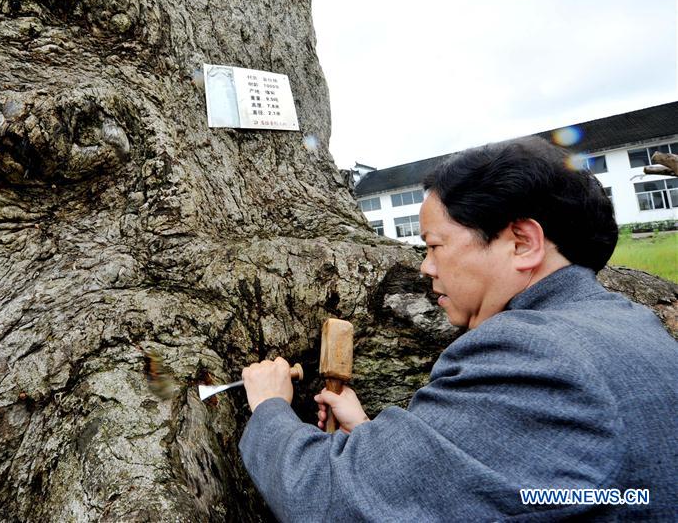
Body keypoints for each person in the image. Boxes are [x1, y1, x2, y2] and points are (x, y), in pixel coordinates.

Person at [240, 137, 678, 521]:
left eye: (434, 245)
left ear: (522, 243)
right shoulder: (633, 323)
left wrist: (270, 408)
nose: (426, 267)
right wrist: (378, 441)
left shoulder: (530, 352)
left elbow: (332, 502)